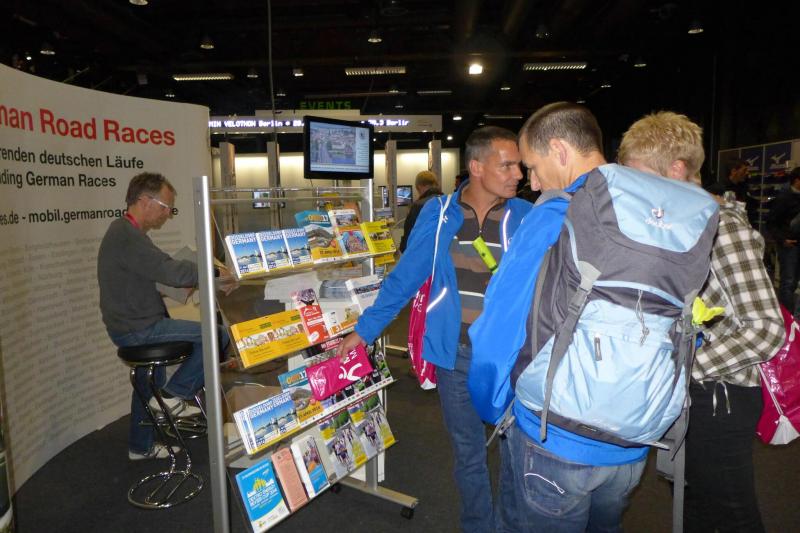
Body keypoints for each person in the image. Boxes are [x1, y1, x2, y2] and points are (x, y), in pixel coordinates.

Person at [337, 126, 532, 532]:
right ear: (476, 167)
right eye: (507, 165)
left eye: (519, 165)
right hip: (454, 354)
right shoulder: (440, 215)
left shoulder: (526, 217)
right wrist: (365, 331)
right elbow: (405, 277)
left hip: (511, 359)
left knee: (518, 454)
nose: (519, 174)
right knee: (468, 453)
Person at [469, 102, 647, 532]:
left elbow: (500, 324)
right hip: (631, 435)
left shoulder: (554, 212)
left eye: (533, 166)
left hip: (555, 433)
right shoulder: (648, 204)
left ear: (560, 151)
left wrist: (493, 403)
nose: (531, 182)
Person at [618, 111, 784, 533]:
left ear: (677, 170)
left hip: (720, 397)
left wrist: (685, 369)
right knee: (691, 504)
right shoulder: (680, 224)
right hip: (693, 394)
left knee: (730, 513)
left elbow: (766, 328)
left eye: (640, 175)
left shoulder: (723, 228)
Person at [97, 172, 232, 460]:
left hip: (129, 325)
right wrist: (214, 271)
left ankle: (140, 446)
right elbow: (169, 270)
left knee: (147, 382)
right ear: (145, 201)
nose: (168, 214)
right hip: (139, 328)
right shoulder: (127, 236)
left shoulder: (125, 232)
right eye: (165, 206)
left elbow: (152, 274)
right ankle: (175, 395)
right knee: (217, 335)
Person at [767, 167, 800, 312]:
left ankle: (791, 316)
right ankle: (787, 317)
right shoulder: (784, 198)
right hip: (789, 246)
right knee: (788, 282)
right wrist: (782, 240)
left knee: (793, 283)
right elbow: (770, 222)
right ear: (797, 180)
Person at [398, 170, 443, 253]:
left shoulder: (418, 206)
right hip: (444, 253)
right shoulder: (448, 202)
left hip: (423, 254)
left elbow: (408, 238)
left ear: (420, 186)